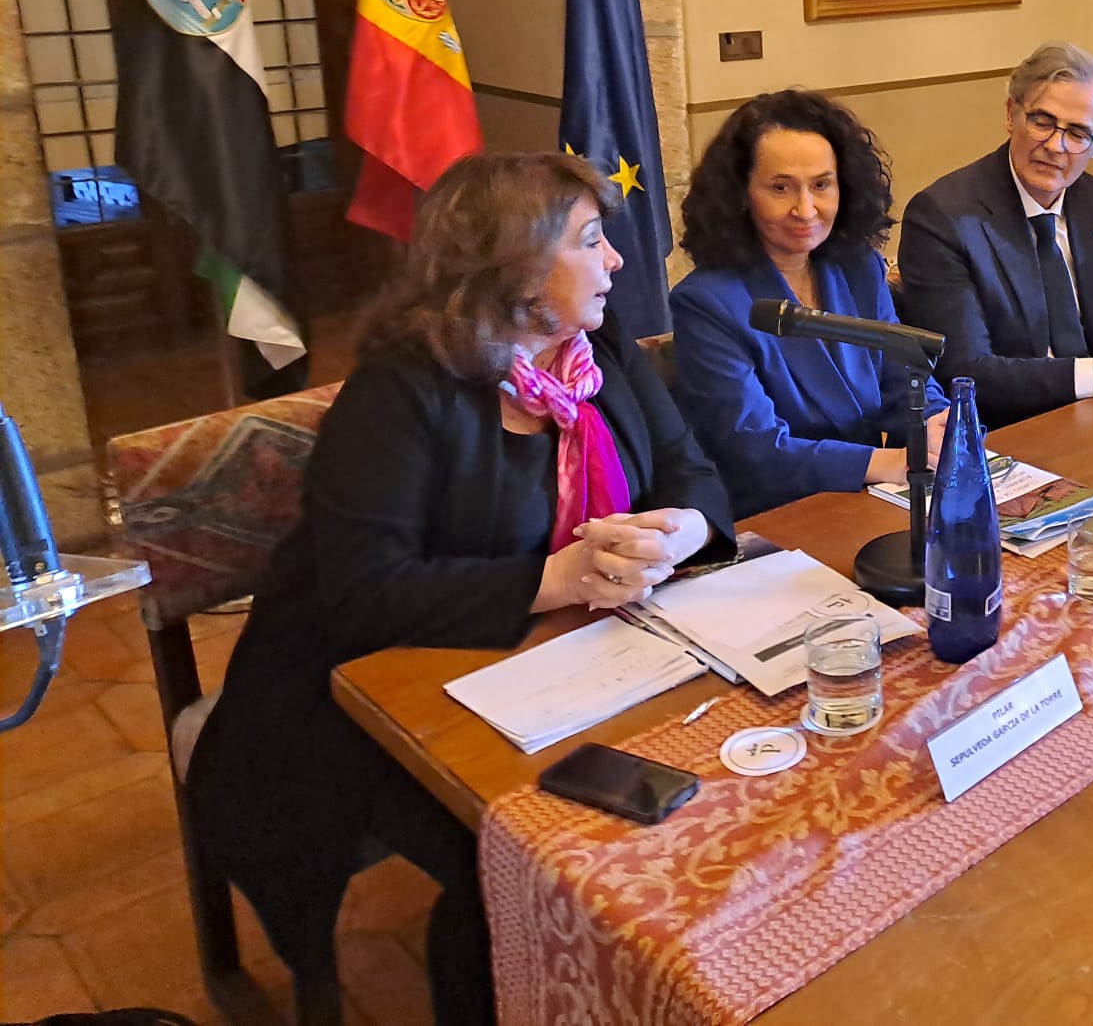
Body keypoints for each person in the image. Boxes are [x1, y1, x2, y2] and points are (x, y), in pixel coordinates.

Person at [188, 152, 735, 1026]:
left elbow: (691, 469)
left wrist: (684, 532)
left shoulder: (593, 348)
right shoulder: (403, 389)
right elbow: (367, 595)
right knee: (519, 871)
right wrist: (555, 578)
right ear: (514, 268)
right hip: (351, 701)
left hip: (558, 662)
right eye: (592, 241)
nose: (619, 262)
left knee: (698, 792)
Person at [672, 89, 948, 518]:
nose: (805, 209)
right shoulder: (706, 302)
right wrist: (889, 462)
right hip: (778, 516)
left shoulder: (859, 268)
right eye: (781, 188)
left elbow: (904, 377)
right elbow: (754, 448)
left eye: (821, 185)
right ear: (741, 194)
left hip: (865, 500)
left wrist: (933, 424)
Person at [898, 41, 1093, 427]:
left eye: (1078, 133)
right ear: (1012, 113)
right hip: (1006, 430)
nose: (1055, 146)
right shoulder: (943, 216)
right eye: (1042, 121)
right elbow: (964, 371)